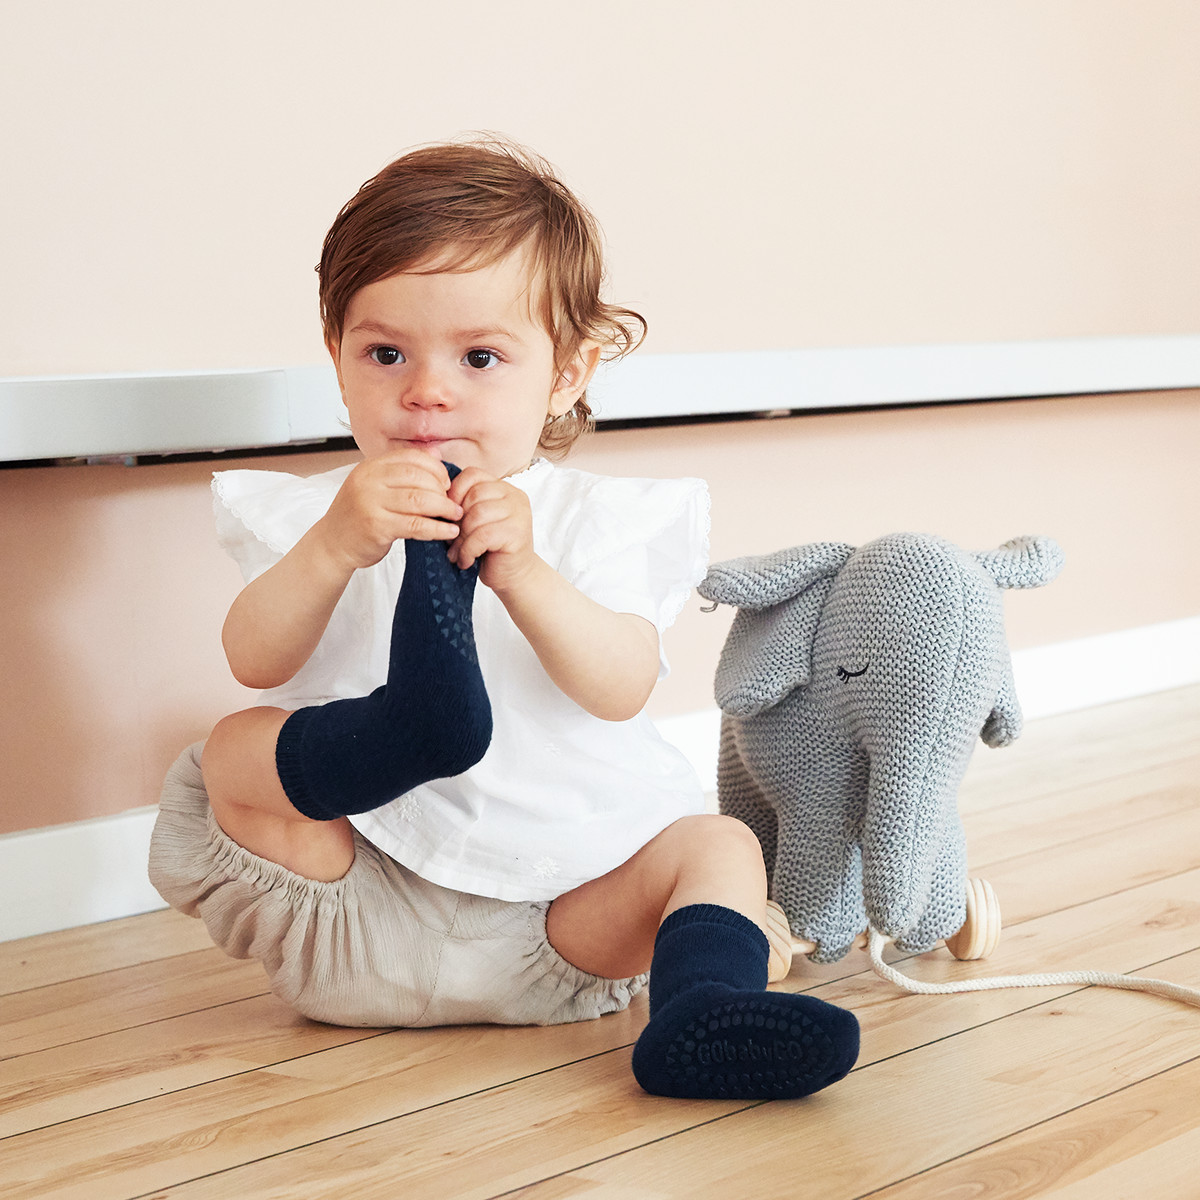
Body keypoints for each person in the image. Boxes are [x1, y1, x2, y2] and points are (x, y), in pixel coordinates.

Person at [149, 138, 860, 1100]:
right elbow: (254, 657)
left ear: (568, 371)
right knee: (233, 749)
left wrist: (524, 572)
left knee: (719, 847)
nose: (426, 390)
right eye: (386, 353)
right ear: (337, 358)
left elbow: (621, 687)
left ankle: (699, 1013)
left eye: (480, 356)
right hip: (361, 903)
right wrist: (333, 547)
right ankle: (409, 732)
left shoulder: (597, 521)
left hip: (561, 925)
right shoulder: (318, 511)